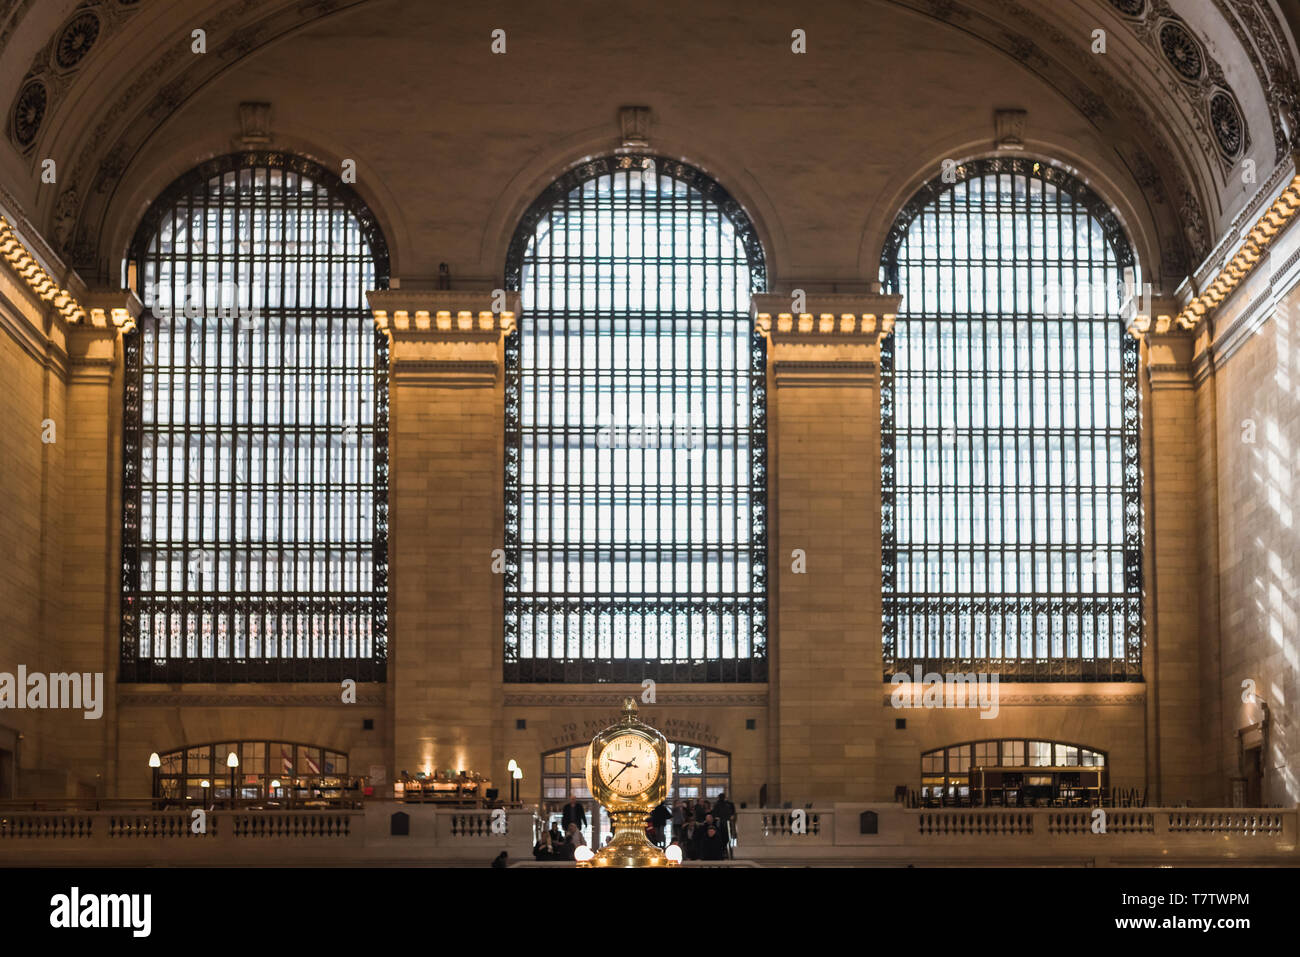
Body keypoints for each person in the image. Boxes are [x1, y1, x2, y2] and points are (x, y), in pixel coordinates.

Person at [712, 791, 735, 858]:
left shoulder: (718, 805)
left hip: (722, 824)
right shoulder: (727, 805)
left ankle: (723, 851)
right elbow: (731, 814)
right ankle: (725, 851)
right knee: (725, 838)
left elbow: (715, 814)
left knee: (722, 838)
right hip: (725, 824)